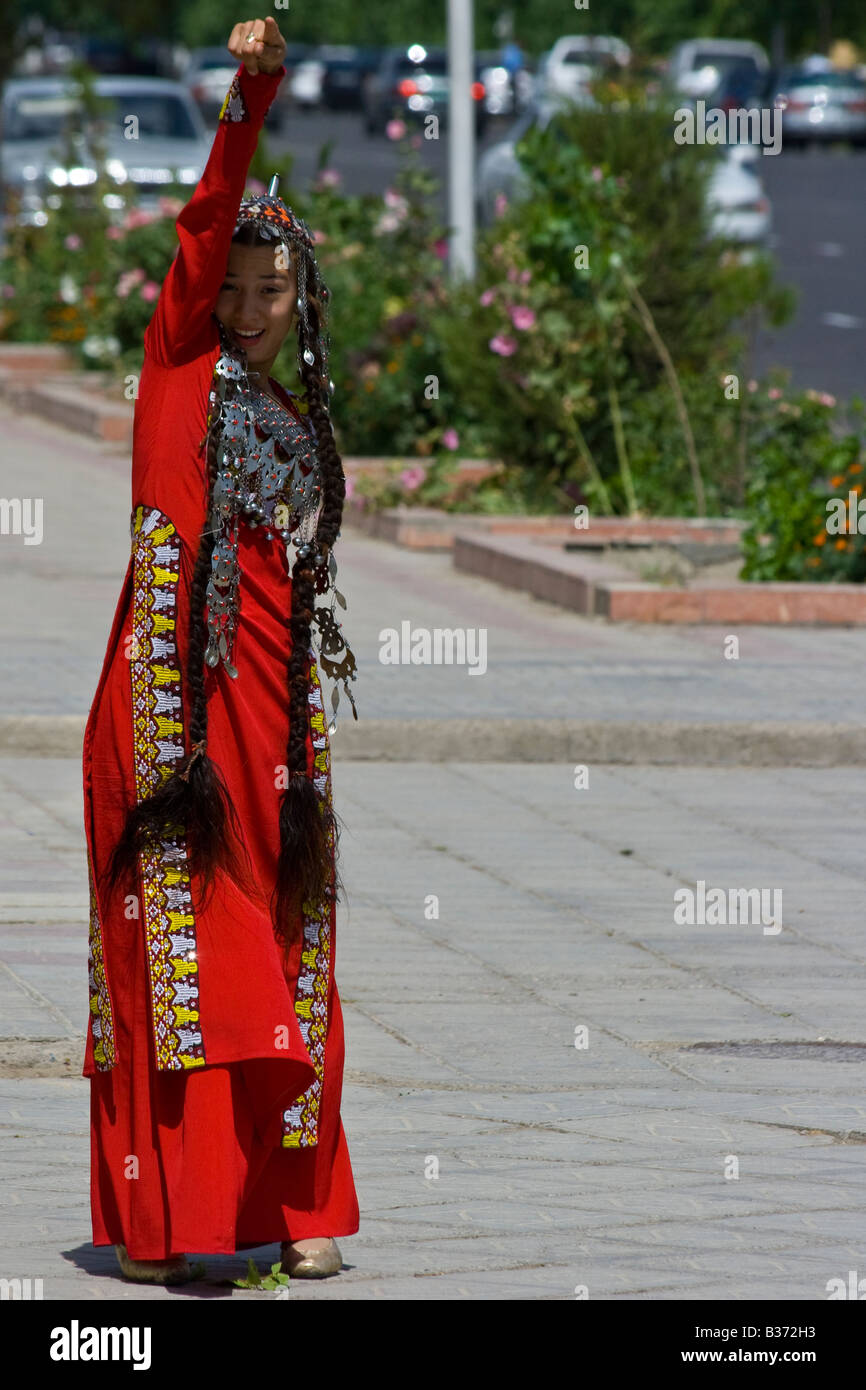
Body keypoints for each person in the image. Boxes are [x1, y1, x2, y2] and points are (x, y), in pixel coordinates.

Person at [82, 16, 360, 1284]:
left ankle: (283, 1218)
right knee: (193, 934)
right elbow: (205, 223)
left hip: (270, 696)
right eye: (233, 285)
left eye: (273, 289)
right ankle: (173, 1224)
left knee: (293, 926)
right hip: (167, 701)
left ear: (300, 301)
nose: (246, 306)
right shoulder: (179, 361)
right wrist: (251, 93)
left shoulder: (294, 412)